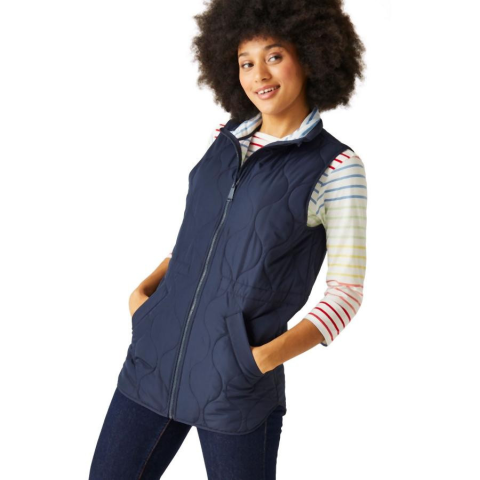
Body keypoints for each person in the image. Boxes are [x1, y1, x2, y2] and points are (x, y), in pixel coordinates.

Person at [89, 0, 367, 478]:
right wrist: (144, 298)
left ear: (310, 56)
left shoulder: (338, 168)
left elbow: (345, 294)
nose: (260, 74)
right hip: (154, 359)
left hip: (236, 385)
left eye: (274, 56)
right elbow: (198, 237)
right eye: (246, 62)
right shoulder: (224, 137)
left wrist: (259, 359)